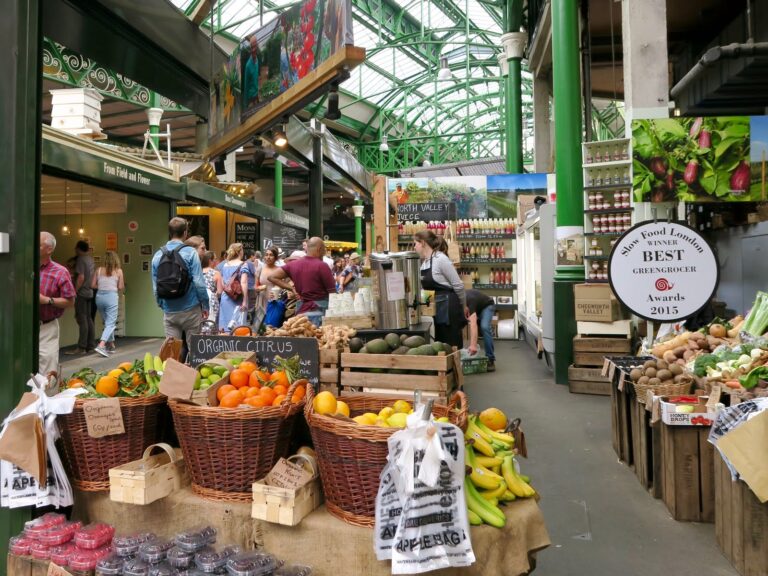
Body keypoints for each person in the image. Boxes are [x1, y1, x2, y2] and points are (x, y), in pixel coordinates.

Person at [151, 217, 210, 353]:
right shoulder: (190, 253)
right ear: (185, 233)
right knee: (195, 350)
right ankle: (193, 373)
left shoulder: (157, 255)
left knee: (172, 352)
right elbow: (199, 283)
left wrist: (162, 304)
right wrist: (205, 305)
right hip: (191, 309)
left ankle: (174, 373)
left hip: (170, 310)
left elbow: (156, 287)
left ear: (169, 232)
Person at [414, 230, 468, 349]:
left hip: (448, 308)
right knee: (438, 345)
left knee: (450, 344)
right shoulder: (424, 263)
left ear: (422, 243)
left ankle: (454, 367)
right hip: (434, 309)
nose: (414, 247)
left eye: (416, 243)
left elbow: (458, 285)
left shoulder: (440, 259)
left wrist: (463, 306)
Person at [269, 237, 335, 326]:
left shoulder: (293, 265)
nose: (324, 253)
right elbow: (333, 293)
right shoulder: (322, 266)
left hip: (301, 311)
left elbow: (272, 277)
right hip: (320, 312)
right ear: (319, 249)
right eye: (324, 250)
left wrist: (291, 288)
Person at [38, 232, 76, 376]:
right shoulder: (24, 268)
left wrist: (47, 300)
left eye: (38, 244)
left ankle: (47, 398)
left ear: (49, 249)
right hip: (23, 327)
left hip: (47, 328)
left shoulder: (60, 272)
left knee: (48, 372)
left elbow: (70, 301)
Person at [91, 251, 125, 357]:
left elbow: (92, 285)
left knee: (107, 322)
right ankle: (101, 345)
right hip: (111, 297)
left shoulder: (99, 270)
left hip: (99, 297)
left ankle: (111, 344)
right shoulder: (118, 271)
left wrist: (102, 287)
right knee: (110, 323)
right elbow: (120, 287)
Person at [66, 240, 96, 355]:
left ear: (78, 248)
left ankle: (82, 347)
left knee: (81, 319)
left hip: (82, 292)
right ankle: (91, 345)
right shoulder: (90, 259)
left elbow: (81, 277)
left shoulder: (81, 260)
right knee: (89, 319)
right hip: (90, 292)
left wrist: (74, 291)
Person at [217, 243, 252, 332]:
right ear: (240, 252)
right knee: (238, 326)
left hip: (226, 297)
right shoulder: (243, 265)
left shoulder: (225, 265)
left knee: (225, 326)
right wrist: (244, 301)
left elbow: (222, 282)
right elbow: (243, 282)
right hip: (238, 298)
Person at [465, 289, 496, 372]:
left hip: (487, 306)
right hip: (477, 307)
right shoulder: (458, 302)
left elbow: (473, 325)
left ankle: (490, 359)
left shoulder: (470, 301)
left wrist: (473, 345)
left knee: (484, 327)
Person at [201, 251, 221, 325]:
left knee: (200, 323)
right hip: (211, 300)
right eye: (215, 259)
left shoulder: (199, 271)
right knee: (211, 323)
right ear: (210, 260)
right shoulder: (216, 273)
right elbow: (219, 292)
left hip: (199, 300)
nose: (216, 260)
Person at [243, 35, 260, 108]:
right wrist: (246, 105)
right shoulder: (248, 66)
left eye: (255, 46)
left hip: (256, 95)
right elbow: (246, 86)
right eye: (252, 47)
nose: (253, 49)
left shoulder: (257, 60)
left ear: (257, 46)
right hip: (251, 99)